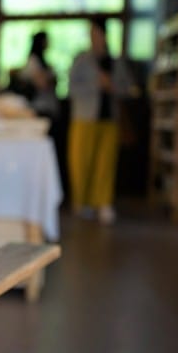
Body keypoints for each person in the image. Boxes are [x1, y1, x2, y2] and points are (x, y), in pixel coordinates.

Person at [67, 18, 132, 224]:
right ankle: (81, 202)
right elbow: (71, 88)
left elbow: (127, 88)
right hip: (84, 117)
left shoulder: (116, 62)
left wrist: (112, 86)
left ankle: (102, 203)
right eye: (92, 34)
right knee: (81, 161)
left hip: (109, 118)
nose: (94, 38)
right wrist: (96, 85)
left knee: (105, 164)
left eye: (97, 34)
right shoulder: (81, 59)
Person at [20, 31, 59, 119]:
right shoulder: (33, 61)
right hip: (38, 105)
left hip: (47, 104)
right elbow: (42, 84)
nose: (48, 43)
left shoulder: (43, 60)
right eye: (46, 40)